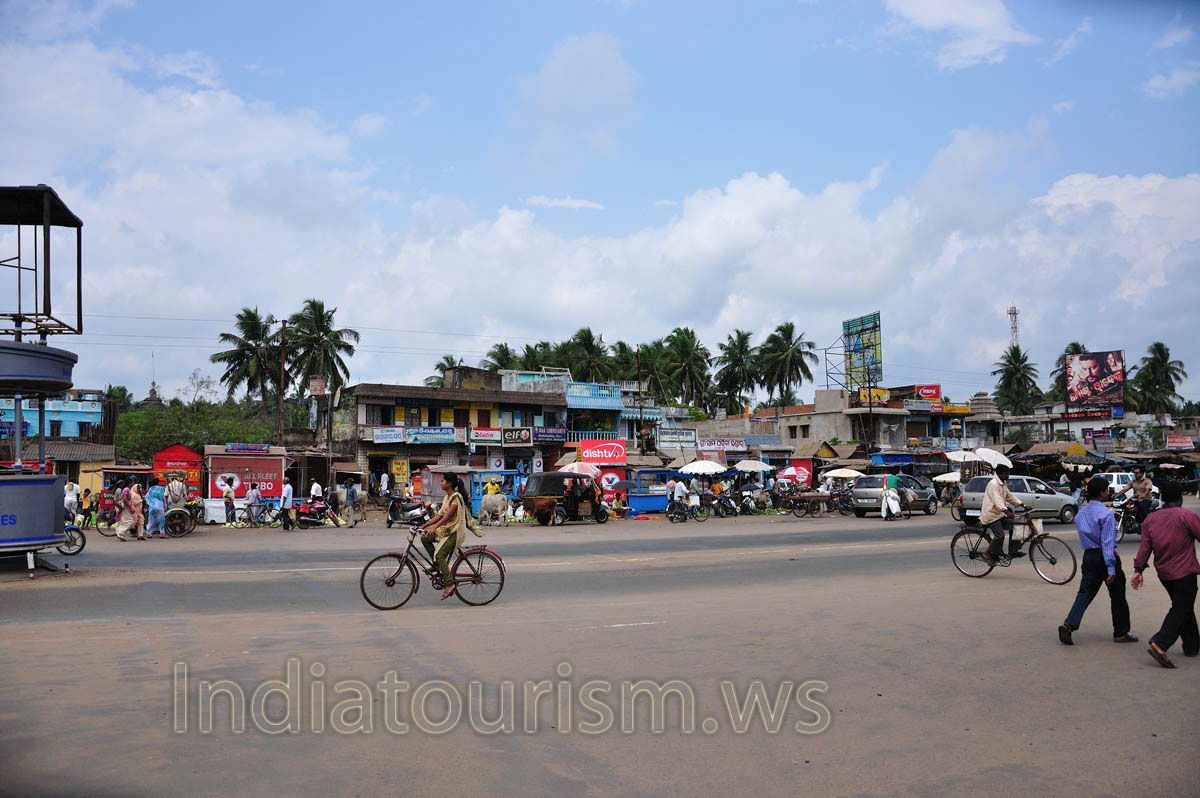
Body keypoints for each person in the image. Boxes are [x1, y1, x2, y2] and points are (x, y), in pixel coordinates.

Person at [1059, 478, 1137, 645]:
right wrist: (1111, 568)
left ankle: (1069, 624)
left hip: (1089, 556)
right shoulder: (1105, 514)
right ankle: (1121, 633)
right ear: (1102, 493)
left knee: (1085, 592)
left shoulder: (1081, 514)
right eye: (1106, 490)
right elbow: (1107, 543)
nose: (1108, 492)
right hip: (1104, 557)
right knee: (1117, 596)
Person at [1131, 483, 1200, 668]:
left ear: (1161, 498)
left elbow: (1144, 549)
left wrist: (1138, 571)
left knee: (1183, 606)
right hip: (1185, 572)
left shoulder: (1151, 520)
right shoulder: (1187, 516)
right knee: (1182, 607)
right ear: (1180, 498)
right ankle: (1160, 643)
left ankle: (1192, 646)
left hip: (1164, 573)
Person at [417, 474, 472, 600]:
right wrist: (424, 525)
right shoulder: (447, 497)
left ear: (449, 484)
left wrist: (434, 528)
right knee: (425, 538)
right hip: (448, 530)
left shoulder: (456, 498)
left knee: (440, 555)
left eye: (442, 481)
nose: (441, 483)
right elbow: (439, 515)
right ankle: (437, 565)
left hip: (456, 531)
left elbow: (446, 516)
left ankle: (449, 584)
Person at [979, 465, 1028, 563]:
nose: (1008, 475)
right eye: (1006, 473)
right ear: (1000, 474)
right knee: (1000, 535)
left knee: (1016, 526)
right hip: (991, 515)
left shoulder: (1003, 484)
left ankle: (1013, 551)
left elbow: (1010, 496)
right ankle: (987, 553)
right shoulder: (993, 484)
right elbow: (997, 501)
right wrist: (1007, 512)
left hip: (999, 514)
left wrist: (1023, 505)